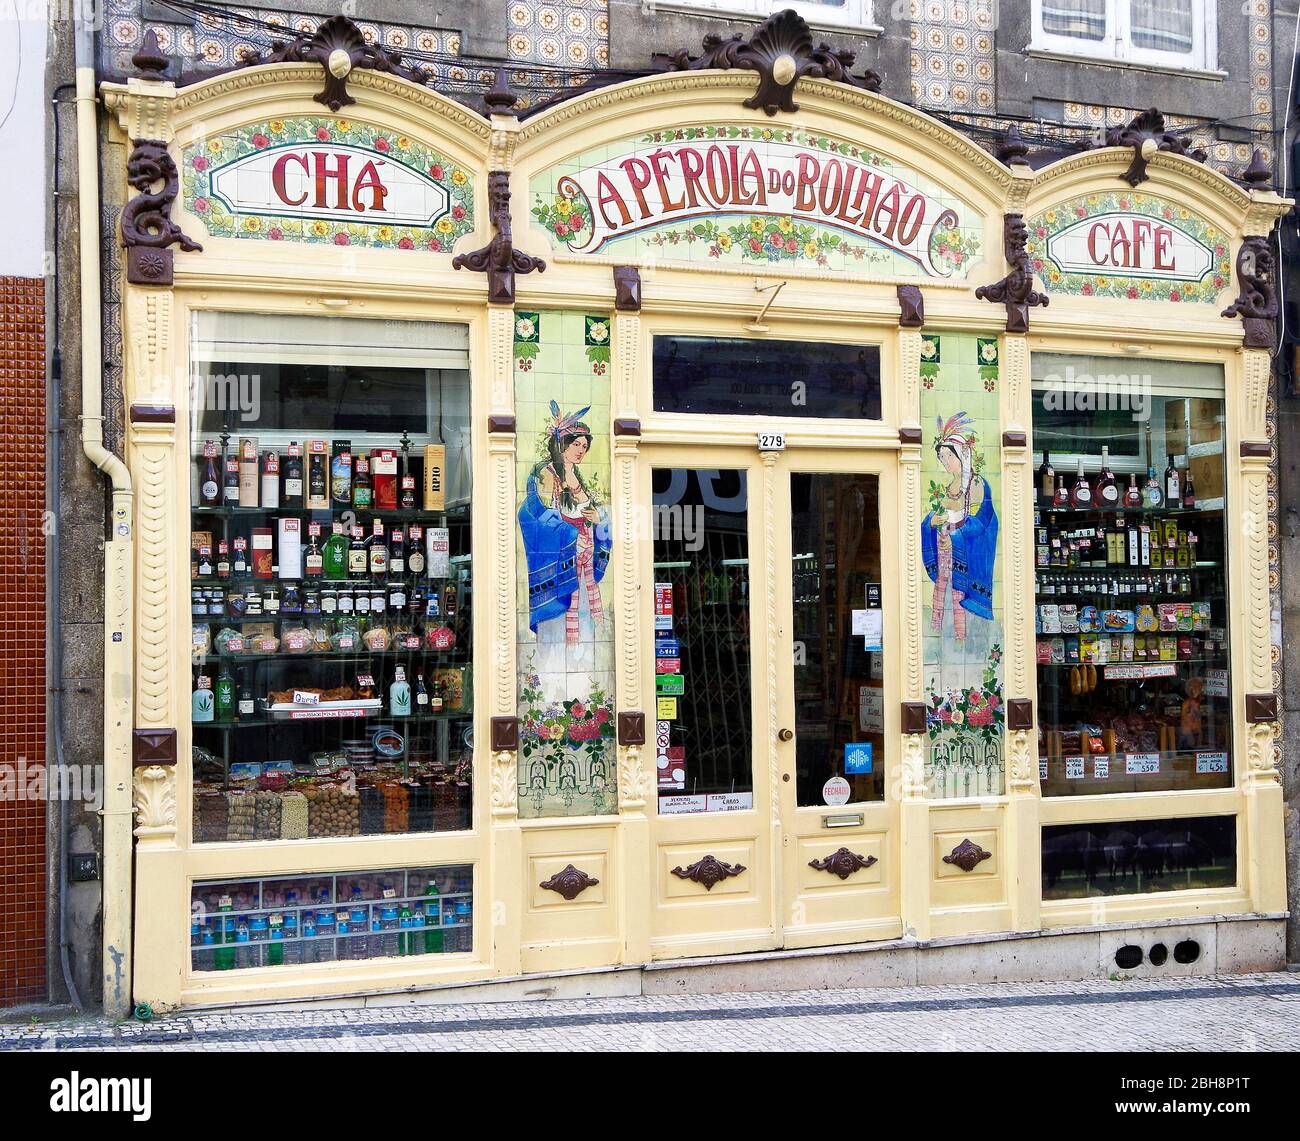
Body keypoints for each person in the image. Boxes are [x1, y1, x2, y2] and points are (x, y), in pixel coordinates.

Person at [518, 401, 611, 648]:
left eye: (585, 447)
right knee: (563, 616)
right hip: (564, 553)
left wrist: (598, 519)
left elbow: (593, 510)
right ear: (563, 445)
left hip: (584, 548)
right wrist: (570, 534)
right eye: (577, 444)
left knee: (586, 607)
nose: (581, 450)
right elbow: (537, 515)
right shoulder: (547, 473)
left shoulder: (576, 476)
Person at [921, 411, 998, 642]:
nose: (944, 462)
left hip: (962, 553)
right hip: (946, 551)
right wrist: (930, 523)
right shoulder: (949, 486)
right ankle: (938, 637)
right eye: (941, 458)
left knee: (958, 596)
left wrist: (954, 534)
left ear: (961, 455)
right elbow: (938, 516)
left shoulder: (976, 483)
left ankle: (962, 640)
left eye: (947, 456)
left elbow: (981, 520)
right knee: (941, 594)